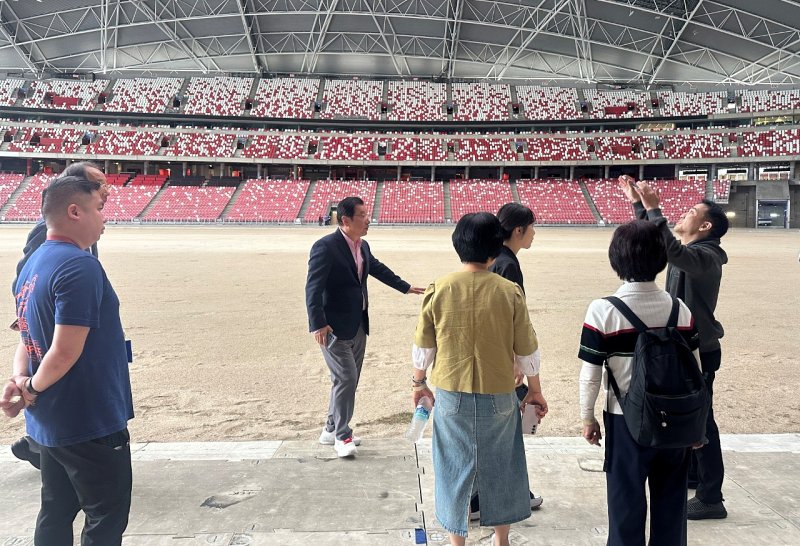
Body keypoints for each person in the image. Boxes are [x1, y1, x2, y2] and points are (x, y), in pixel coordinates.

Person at [0, 174, 133, 546]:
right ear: (75, 211)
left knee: (56, 509)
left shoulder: (33, 262)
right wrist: (29, 386)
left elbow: (26, 336)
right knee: (106, 515)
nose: (104, 219)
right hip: (87, 419)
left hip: (51, 420)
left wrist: (20, 380)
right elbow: (63, 351)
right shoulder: (79, 266)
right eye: (99, 209)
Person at [412, 212, 547, 546]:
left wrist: (418, 383)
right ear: (494, 249)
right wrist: (535, 391)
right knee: (502, 464)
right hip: (499, 393)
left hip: (451, 393)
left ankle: (458, 540)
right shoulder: (509, 291)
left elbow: (424, 346)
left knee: (453, 465)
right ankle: (501, 539)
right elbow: (527, 349)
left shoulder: (438, 289)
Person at [578, 220, 701, 546]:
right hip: (675, 424)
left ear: (616, 259)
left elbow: (590, 375)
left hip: (625, 422)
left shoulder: (603, 311)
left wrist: (587, 418)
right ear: (662, 259)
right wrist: (697, 425)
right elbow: (697, 375)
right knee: (672, 509)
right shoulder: (681, 310)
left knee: (626, 508)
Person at [619, 175, 729, 520]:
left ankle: (712, 497)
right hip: (686, 346)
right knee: (694, 413)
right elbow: (656, 241)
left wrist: (654, 208)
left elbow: (669, 249)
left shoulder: (707, 256)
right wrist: (639, 206)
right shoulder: (694, 252)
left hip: (698, 349)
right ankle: (696, 476)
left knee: (702, 420)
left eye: (693, 211)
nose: (685, 213)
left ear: (705, 225)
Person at [9, 162, 110, 470]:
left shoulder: (82, 228)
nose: (105, 190)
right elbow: (32, 277)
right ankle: (39, 447)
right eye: (98, 184)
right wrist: (27, 313)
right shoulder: (50, 231)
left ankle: (42, 447)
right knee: (52, 382)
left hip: (66, 320)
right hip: (55, 325)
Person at [305, 196, 424, 458]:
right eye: (362, 215)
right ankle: (342, 436)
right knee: (346, 378)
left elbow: (377, 269)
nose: (368, 219)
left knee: (346, 380)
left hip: (358, 323)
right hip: (332, 327)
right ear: (345, 220)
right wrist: (318, 324)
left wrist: (405, 287)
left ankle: (330, 429)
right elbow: (312, 288)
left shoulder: (363, 246)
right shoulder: (325, 247)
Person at [465, 202, 541, 518]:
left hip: (484, 359)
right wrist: (518, 363)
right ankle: (499, 495)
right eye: (532, 227)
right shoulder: (508, 266)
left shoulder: (496, 259)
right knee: (503, 434)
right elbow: (513, 322)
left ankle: (478, 497)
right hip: (500, 363)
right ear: (519, 230)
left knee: (489, 433)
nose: (535, 233)